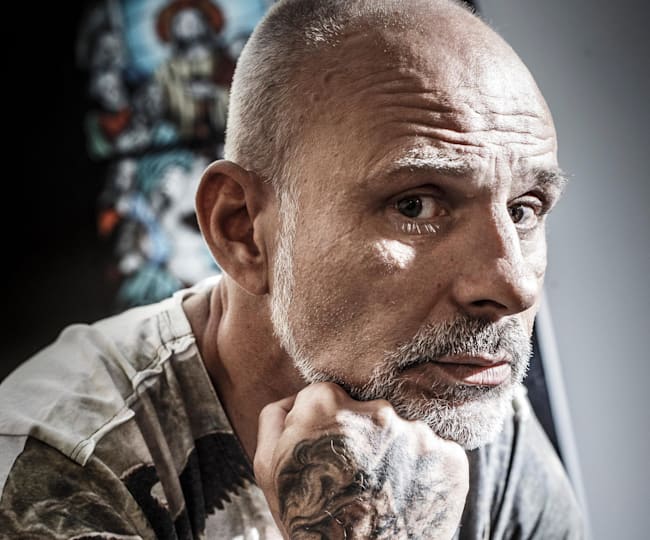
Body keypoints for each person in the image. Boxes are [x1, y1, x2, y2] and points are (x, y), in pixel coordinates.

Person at [0, 0, 585, 538]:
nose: (513, 286)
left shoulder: (465, 400)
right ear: (243, 231)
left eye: (523, 209)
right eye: (415, 206)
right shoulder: (60, 463)